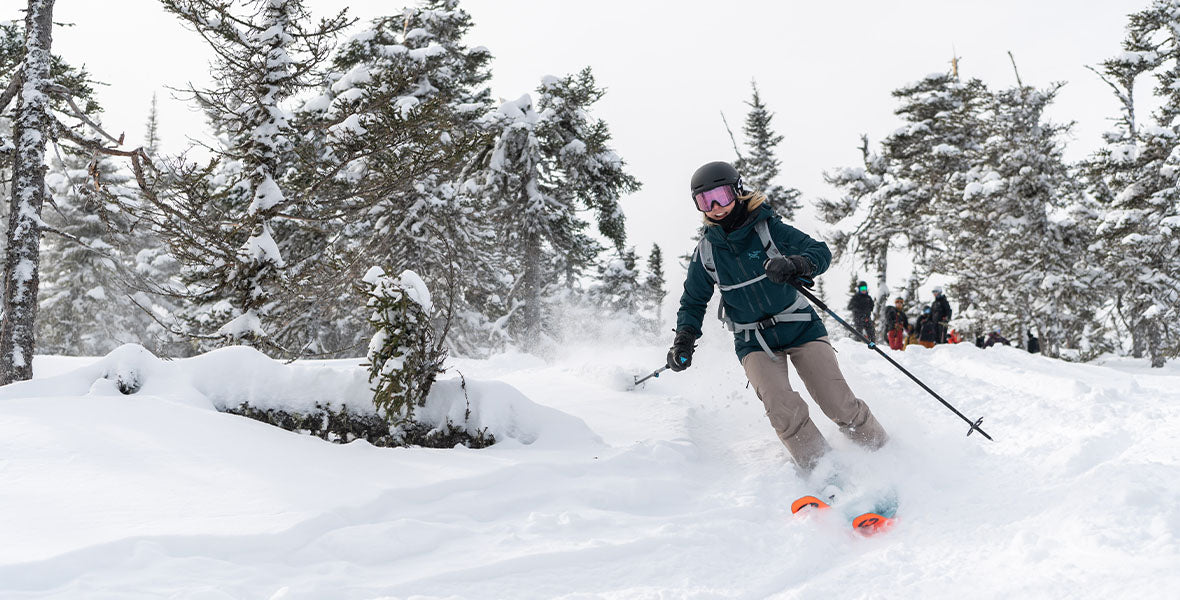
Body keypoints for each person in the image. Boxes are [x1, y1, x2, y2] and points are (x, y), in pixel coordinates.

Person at [666, 161, 888, 473]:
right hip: (752, 340)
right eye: (705, 201)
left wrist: (797, 264)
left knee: (836, 400)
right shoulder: (706, 252)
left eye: (721, 196)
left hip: (800, 327)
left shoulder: (769, 229)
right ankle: (823, 469)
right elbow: (692, 300)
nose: (715, 207)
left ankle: (880, 451)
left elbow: (820, 252)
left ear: (738, 191)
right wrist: (684, 340)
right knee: (782, 408)